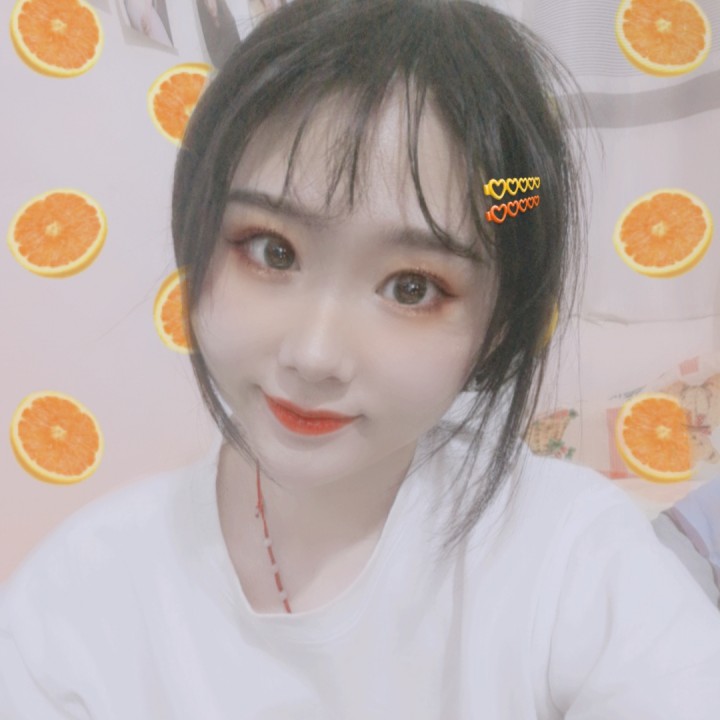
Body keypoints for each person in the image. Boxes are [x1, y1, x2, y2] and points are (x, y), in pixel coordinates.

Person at [2, 1, 720, 717]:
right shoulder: (73, 610)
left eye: (412, 288)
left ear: (498, 323)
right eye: (272, 251)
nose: (314, 355)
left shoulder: (570, 558)